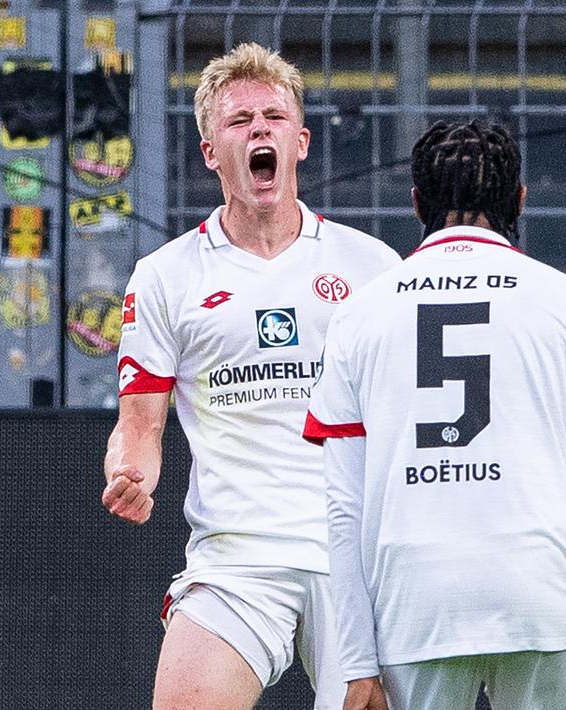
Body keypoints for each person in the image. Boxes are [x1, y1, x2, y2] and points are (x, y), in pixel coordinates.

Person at [302, 118, 566, 710]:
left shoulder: (358, 317)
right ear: (519, 200)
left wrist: (357, 664)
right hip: (542, 599)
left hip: (414, 605)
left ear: (417, 202)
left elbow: (344, 508)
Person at [101, 42, 400, 710]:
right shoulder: (166, 275)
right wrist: (131, 472)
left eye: (272, 117)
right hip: (236, 560)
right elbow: (138, 424)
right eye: (239, 121)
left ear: (299, 142)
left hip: (352, 560)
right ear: (211, 152)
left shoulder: (371, 265)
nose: (258, 129)